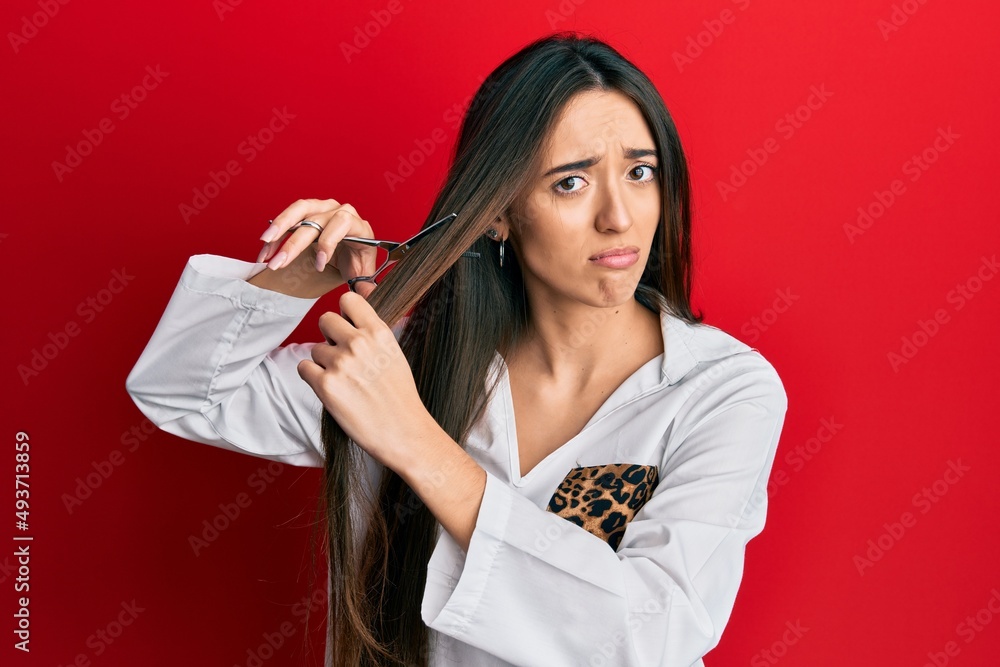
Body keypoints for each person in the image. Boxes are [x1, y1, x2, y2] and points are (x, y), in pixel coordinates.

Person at [126, 32, 788, 667]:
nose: (619, 215)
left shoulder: (723, 390)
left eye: (641, 171)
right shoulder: (407, 357)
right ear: (498, 211)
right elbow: (181, 390)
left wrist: (417, 442)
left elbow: (650, 637)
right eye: (570, 182)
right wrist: (298, 278)